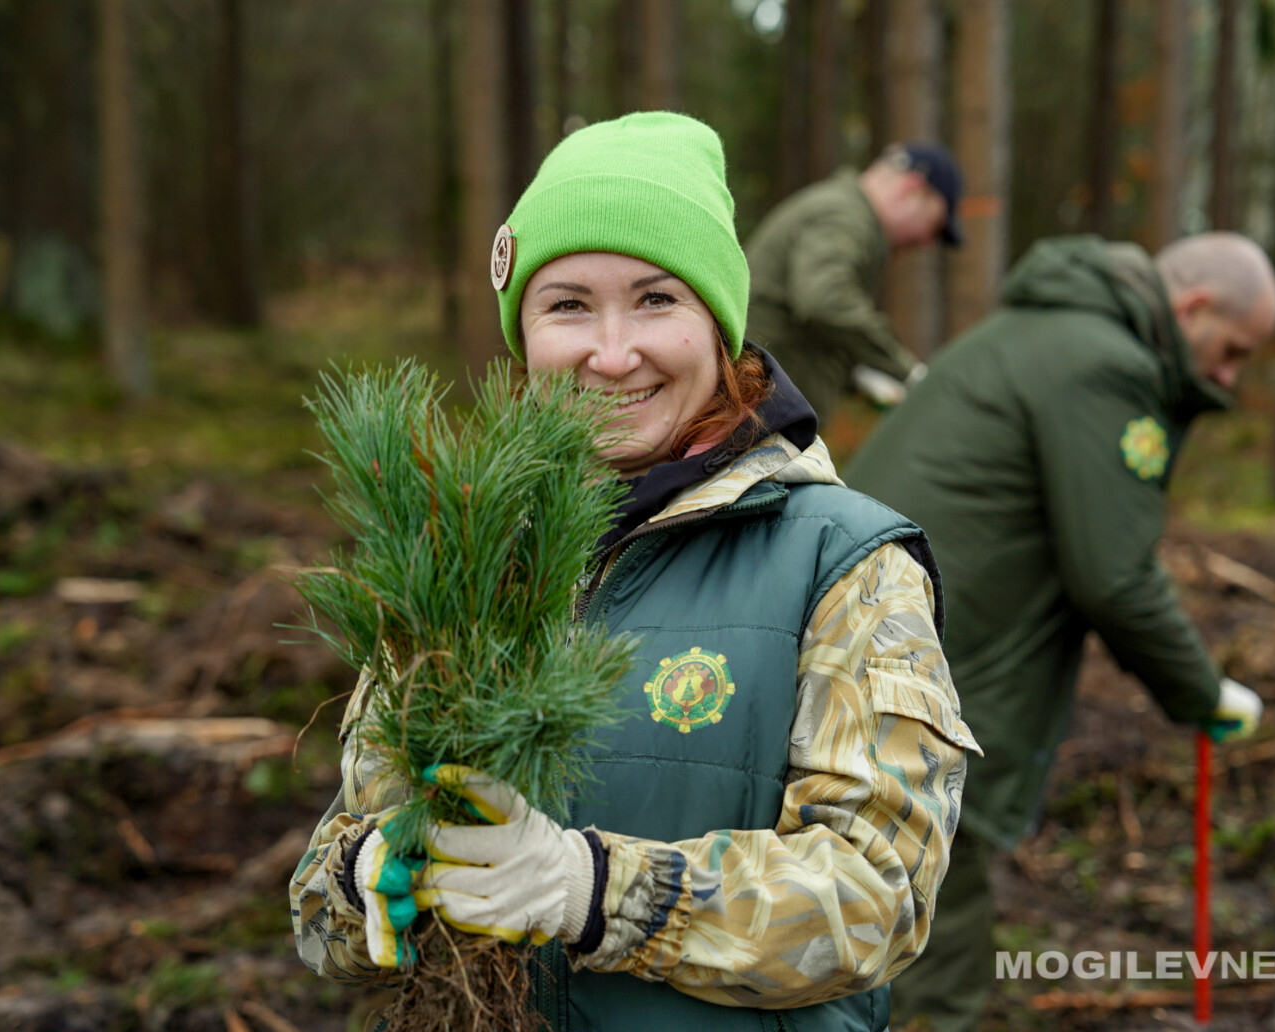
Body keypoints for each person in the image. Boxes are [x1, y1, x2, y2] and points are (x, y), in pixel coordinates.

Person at [290, 112, 980, 1032]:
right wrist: (366, 878)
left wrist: (599, 891)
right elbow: (318, 904)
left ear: (719, 324)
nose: (612, 356)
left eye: (657, 300)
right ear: (523, 335)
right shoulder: (464, 566)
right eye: (568, 305)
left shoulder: (842, 561)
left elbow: (878, 896)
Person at [843, 232, 1275, 1031]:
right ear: (1193, 307)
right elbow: (1114, 576)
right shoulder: (1104, 364)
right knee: (937, 913)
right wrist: (1201, 689)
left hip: (876, 645)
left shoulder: (1035, 332)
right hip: (923, 671)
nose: (1228, 376)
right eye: (1232, 350)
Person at [743, 142, 964, 424]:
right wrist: (907, 372)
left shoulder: (842, 210)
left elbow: (804, 319)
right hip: (757, 409)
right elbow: (825, 301)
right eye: (934, 227)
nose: (927, 242)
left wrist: (857, 372)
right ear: (911, 189)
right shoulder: (845, 215)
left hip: (762, 402)